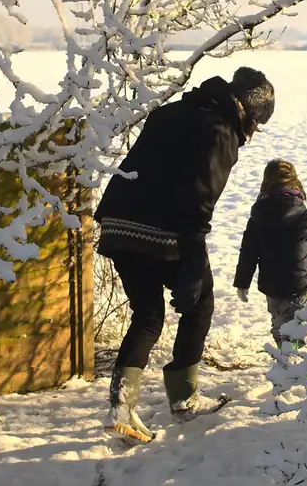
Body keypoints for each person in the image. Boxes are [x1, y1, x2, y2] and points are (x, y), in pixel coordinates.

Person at [95, 67, 275, 444]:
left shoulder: (173, 111)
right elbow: (197, 202)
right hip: (162, 229)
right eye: (256, 125)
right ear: (247, 113)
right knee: (200, 303)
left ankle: (120, 410)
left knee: (148, 314)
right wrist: (193, 264)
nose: (252, 135)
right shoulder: (221, 131)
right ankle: (184, 399)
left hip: (117, 222)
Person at [233, 159, 307, 349]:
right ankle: (290, 365)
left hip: (272, 285)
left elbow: (248, 253)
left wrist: (242, 283)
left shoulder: (258, 216)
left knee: (279, 322)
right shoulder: (304, 216)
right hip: (299, 284)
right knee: (295, 327)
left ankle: (286, 358)